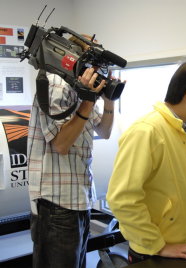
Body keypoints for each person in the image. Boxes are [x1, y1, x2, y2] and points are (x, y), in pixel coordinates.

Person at [106, 58, 186, 264]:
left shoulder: (181, 132)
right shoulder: (146, 131)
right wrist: (159, 246)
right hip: (155, 254)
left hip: (184, 248)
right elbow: (121, 199)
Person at [28, 34, 119, 268]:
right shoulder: (55, 84)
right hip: (56, 204)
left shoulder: (81, 89)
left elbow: (105, 131)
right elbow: (60, 144)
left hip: (79, 201)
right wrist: (88, 101)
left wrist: (109, 100)